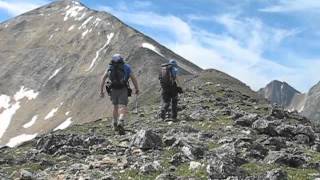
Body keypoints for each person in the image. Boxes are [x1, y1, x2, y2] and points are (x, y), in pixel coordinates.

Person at [100, 54, 139, 135]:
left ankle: (114, 123)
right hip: (123, 89)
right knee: (123, 106)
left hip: (113, 89)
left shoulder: (110, 67)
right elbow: (133, 78)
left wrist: (101, 91)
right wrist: (137, 88)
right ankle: (120, 120)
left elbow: (103, 78)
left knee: (115, 106)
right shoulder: (126, 67)